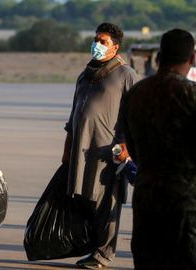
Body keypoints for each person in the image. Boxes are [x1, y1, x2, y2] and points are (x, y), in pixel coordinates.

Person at [61, 22, 139, 268]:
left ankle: (105, 254)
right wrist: (67, 148)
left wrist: (127, 144)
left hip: (109, 152)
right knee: (86, 200)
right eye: (96, 39)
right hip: (81, 150)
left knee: (107, 203)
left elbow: (135, 114)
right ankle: (94, 249)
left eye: (103, 41)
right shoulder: (85, 75)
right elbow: (74, 113)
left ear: (115, 47)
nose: (96, 44)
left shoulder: (126, 74)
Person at [121, 29, 196, 269]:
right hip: (185, 203)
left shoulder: (136, 93)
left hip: (146, 199)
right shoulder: (191, 94)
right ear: (192, 58)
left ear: (158, 57)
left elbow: (130, 146)